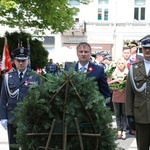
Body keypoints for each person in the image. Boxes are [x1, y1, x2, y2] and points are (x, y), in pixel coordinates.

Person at [0, 47, 41, 150]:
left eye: (23, 60)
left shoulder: (35, 77)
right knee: (13, 146)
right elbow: (3, 99)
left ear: (28, 60)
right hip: (12, 117)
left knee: (29, 146)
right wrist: (3, 117)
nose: (21, 63)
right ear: (14, 61)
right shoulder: (7, 77)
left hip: (28, 118)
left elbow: (40, 99)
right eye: (18, 60)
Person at [126, 38, 150, 150]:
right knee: (142, 147)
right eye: (146, 48)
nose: (148, 50)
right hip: (140, 115)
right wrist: (129, 114)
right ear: (142, 49)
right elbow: (129, 93)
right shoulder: (134, 68)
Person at [108, 57, 128, 140]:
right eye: (119, 63)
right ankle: (119, 130)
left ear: (124, 64)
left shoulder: (127, 72)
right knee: (117, 114)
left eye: (122, 63)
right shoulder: (114, 72)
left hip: (125, 95)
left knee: (124, 114)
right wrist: (116, 80)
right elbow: (108, 83)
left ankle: (124, 130)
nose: (120, 65)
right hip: (116, 95)